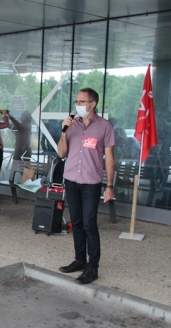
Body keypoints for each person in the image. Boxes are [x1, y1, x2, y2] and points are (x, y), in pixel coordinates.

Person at [57, 88, 115, 285]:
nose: (78, 105)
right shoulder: (72, 125)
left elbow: (110, 159)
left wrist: (110, 185)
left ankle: (93, 267)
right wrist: (63, 132)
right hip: (72, 180)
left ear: (93, 104)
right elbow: (61, 154)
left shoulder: (105, 127)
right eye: (77, 101)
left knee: (90, 224)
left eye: (82, 102)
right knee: (77, 222)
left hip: (91, 182)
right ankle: (80, 260)